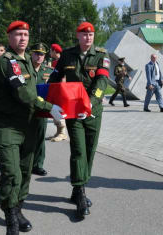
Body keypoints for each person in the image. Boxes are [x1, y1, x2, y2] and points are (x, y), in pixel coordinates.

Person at [0, 21, 65, 234]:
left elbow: (37, 92)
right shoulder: (8, 62)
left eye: (25, 34)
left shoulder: (28, 63)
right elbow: (24, 94)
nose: (23, 38)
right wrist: (49, 107)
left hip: (30, 126)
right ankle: (10, 217)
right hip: (9, 127)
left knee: (25, 171)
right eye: (18, 34)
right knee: (11, 172)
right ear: (9, 38)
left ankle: (18, 208)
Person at [48, 21, 110, 219]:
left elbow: (102, 81)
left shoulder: (101, 54)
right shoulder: (67, 54)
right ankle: (81, 193)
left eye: (91, 34)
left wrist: (91, 102)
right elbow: (56, 78)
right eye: (84, 34)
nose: (88, 38)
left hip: (93, 110)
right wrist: (47, 100)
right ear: (78, 36)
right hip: (73, 111)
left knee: (90, 150)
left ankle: (78, 188)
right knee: (78, 150)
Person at [30, 43, 53, 177]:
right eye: (37, 53)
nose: (39, 56)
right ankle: (24, 162)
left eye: (42, 54)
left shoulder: (48, 71)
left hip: (42, 109)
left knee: (39, 137)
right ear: (31, 54)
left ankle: (38, 165)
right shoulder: (25, 69)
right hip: (26, 108)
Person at [47, 43, 68, 142]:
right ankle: (58, 131)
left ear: (54, 51)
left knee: (60, 110)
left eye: (50, 51)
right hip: (55, 89)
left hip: (61, 89)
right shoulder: (56, 62)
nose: (49, 53)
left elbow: (64, 77)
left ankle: (62, 133)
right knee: (55, 110)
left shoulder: (63, 61)